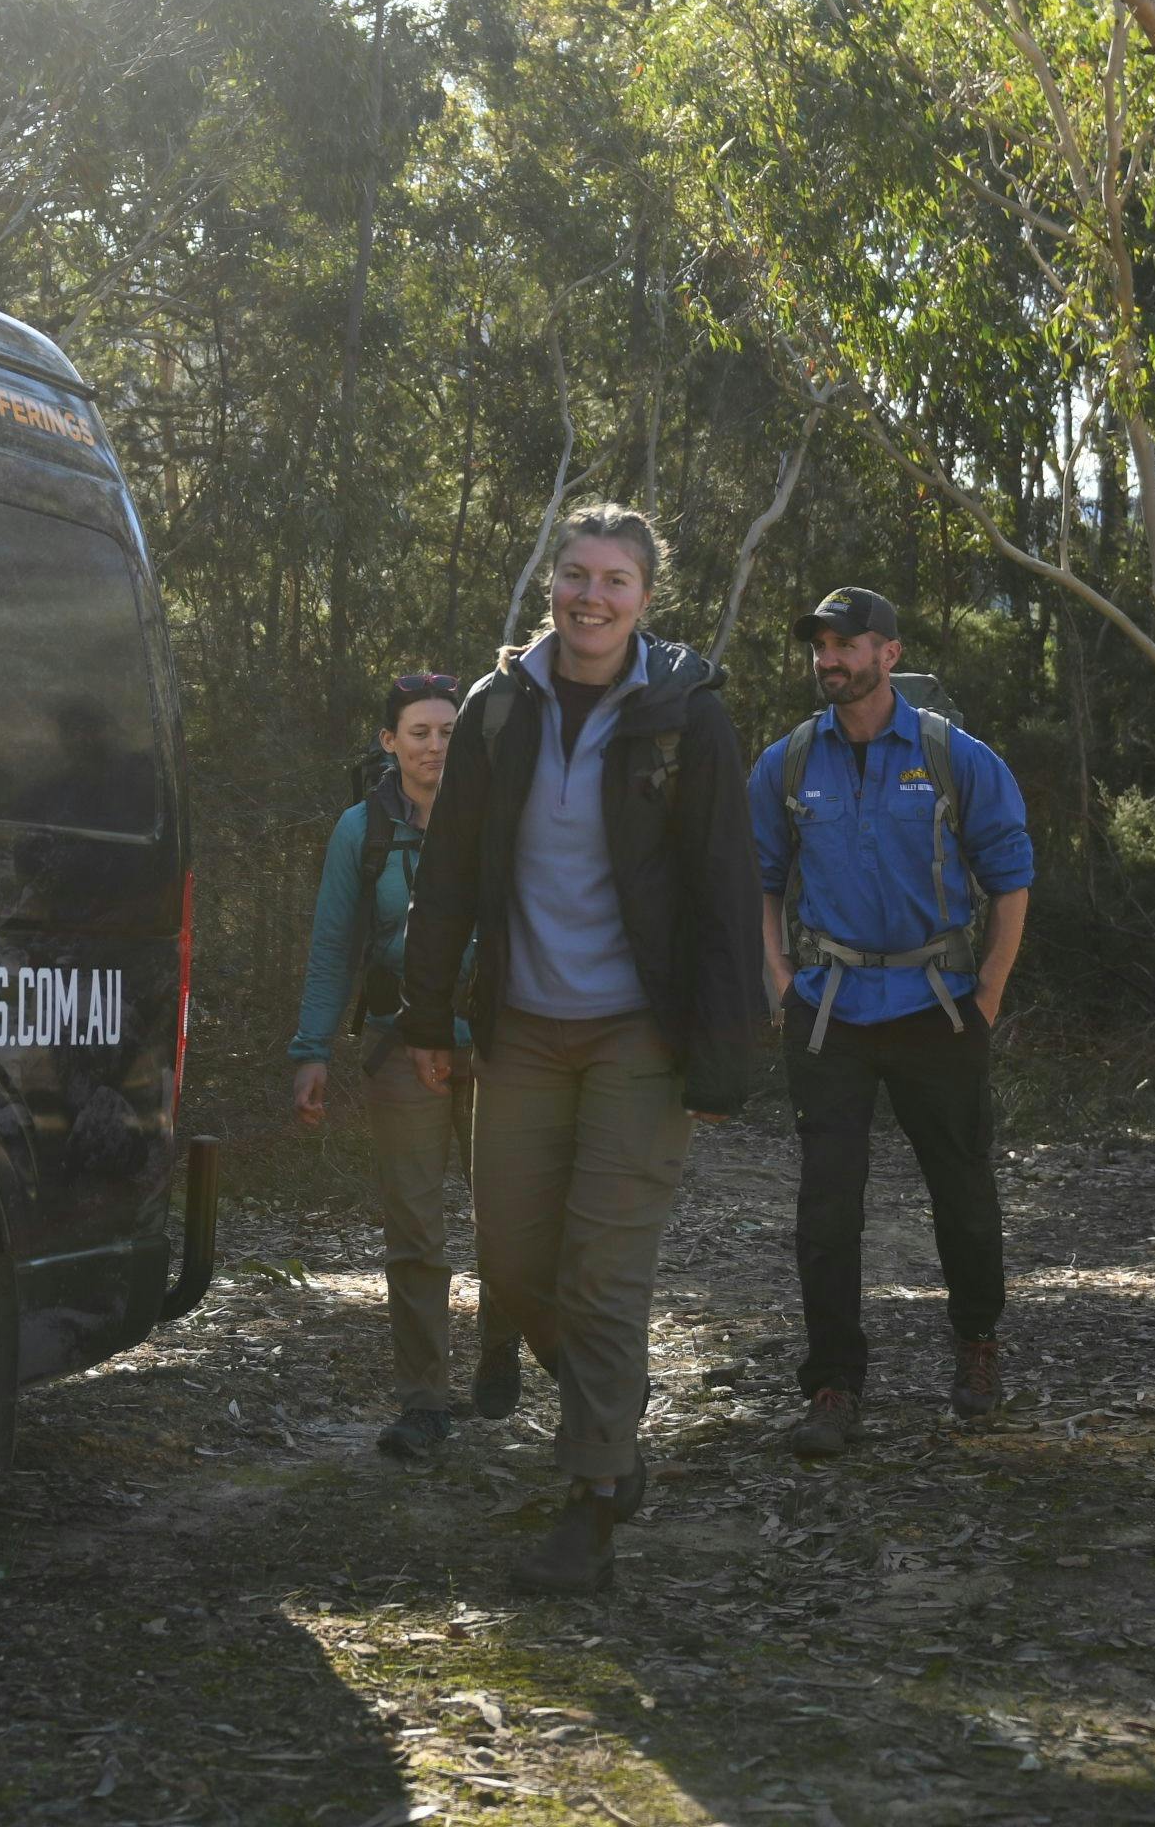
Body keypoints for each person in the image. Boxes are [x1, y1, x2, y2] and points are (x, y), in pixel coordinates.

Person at [399, 506, 762, 1595]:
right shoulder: (497, 708)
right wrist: (427, 1015)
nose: (590, 597)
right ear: (549, 582)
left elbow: (724, 892)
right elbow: (450, 871)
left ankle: (594, 1495)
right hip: (519, 1029)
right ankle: (617, 1426)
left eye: (614, 580)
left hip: (636, 1038)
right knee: (512, 1264)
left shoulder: (684, 718)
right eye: (574, 575)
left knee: (602, 1274)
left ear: (647, 597)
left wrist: (723, 1058)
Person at [759, 587, 1037, 1450]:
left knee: (962, 1193)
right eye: (821, 646)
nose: (831, 658)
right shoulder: (789, 761)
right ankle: (834, 1387)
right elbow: (758, 881)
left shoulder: (957, 758)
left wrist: (987, 991)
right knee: (827, 1210)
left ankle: (977, 1346)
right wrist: (780, 984)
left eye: (848, 643)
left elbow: (1011, 877)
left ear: (890, 651)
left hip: (938, 1007)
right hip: (830, 1013)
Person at [289, 670, 524, 1461]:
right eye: (418, 732)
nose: (434, 746)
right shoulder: (363, 830)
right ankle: (424, 1400)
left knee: (509, 1214)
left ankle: (501, 1344)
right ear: (390, 742)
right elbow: (333, 949)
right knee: (415, 1230)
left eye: (449, 731)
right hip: (398, 1044)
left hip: (498, 1043)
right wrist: (310, 1051)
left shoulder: (499, 818)